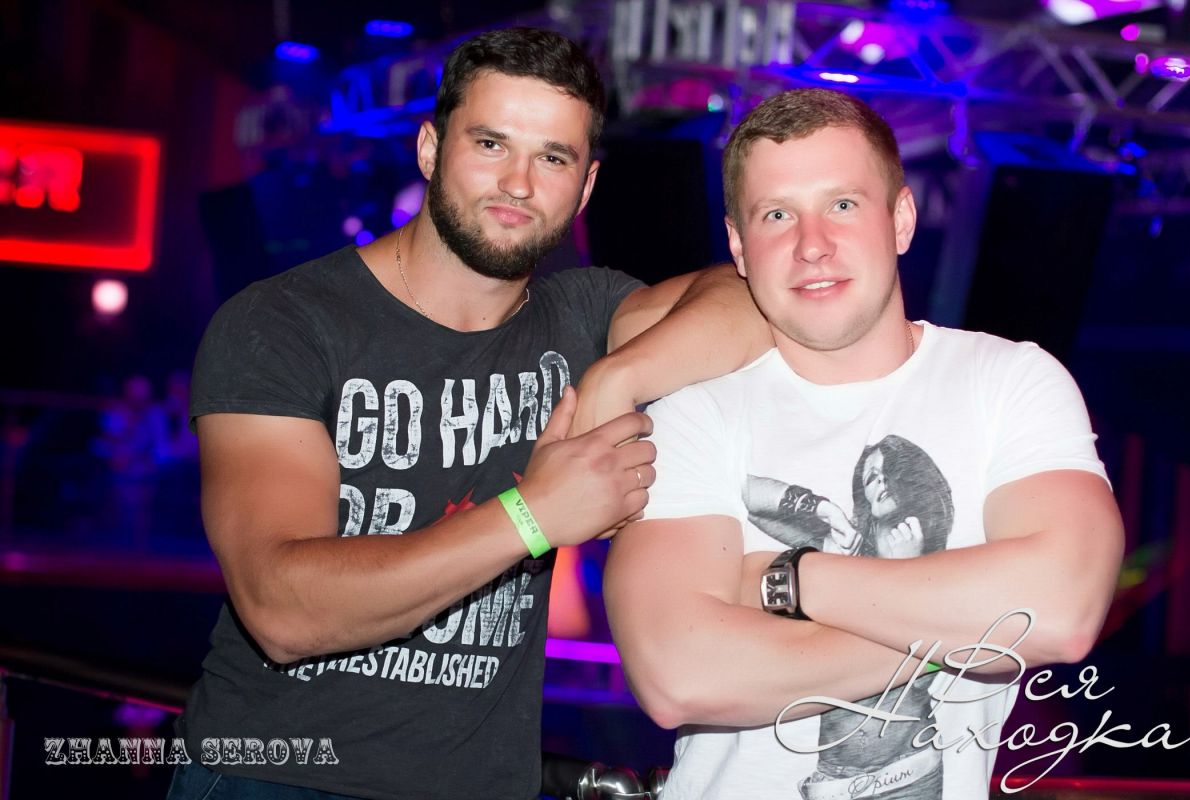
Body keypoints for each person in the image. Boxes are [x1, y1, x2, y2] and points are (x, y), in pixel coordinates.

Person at [168, 27, 769, 800]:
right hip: (276, 777)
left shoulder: (582, 316)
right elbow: (281, 609)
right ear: (429, 149)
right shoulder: (285, 322)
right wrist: (534, 515)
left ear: (585, 186)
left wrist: (617, 377)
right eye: (491, 144)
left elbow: (749, 298)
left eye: (553, 158)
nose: (518, 183)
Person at [604, 88, 1124, 799]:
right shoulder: (694, 413)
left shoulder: (1009, 381)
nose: (812, 244)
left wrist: (786, 579)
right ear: (738, 247)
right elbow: (679, 675)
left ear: (901, 219)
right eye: (777, 215)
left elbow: (1061, 611)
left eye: (843, 204)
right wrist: (969, 635)